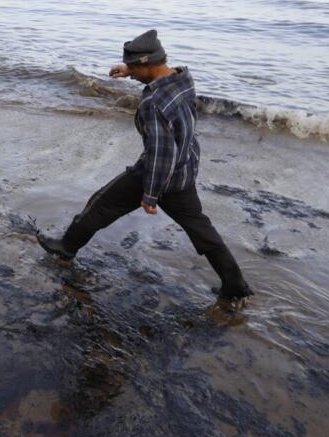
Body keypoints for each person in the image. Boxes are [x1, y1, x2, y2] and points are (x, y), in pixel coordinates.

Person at [36, 29, 254, 304]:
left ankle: (66, 248)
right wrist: (129, 69)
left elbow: (162, 152)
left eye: (135, 69)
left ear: (147, 65)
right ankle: (235, 285)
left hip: (156, 173)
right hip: (184, 168)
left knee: (102, 203)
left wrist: (150, 195)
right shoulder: (182, 78)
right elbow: (159, 79)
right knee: (200, 228)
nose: (133, 75)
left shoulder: (154, 104)